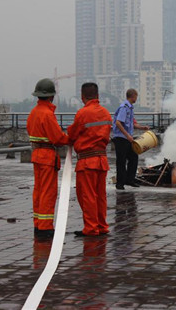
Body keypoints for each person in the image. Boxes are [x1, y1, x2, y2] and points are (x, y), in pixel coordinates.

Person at [26, 78, 70, 239]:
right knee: (48, 192)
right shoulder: (47, 114)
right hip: (47, 156)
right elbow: (58, 138)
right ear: (51, 96)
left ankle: (38, 224)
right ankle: (45, 227)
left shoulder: (33, 113)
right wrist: (70, 138)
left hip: (37, 155)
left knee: (38, 190)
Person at [67, 82, 112, 237]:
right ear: (98, 95)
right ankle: (102, 226)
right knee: (100, 195)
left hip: (86, 161)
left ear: (82, 96)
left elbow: (72, 135)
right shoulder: (106, 113)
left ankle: (91, 228)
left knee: (87, 196)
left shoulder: (82, 113)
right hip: (102, 160)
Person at [112, 88, 149, 190]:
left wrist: (142, 128)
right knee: (121, 161)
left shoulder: (130, 108)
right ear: (133, 96)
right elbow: (118, 123)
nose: (137, 98)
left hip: (127, 139)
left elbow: (132, 123)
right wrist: (127, 135)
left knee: (133, 157)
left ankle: (129, 179)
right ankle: (120, 183)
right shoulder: (124, 107)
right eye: (136, 96)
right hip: (121, 138)